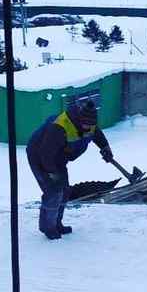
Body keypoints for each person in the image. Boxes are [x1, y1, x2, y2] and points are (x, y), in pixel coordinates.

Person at [25, 98, 114, 239]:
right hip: (39, 155)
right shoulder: (60, 127)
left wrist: (105, 148)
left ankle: (57, 224)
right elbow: (45, 153)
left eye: (91, 125)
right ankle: (48, 228)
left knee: (65, 191)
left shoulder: (89, 123)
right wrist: (52, 173)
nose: (88, 128)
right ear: (79, 120)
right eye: (85, 125)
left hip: (59, 157)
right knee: (53, 192)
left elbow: (96, 133)